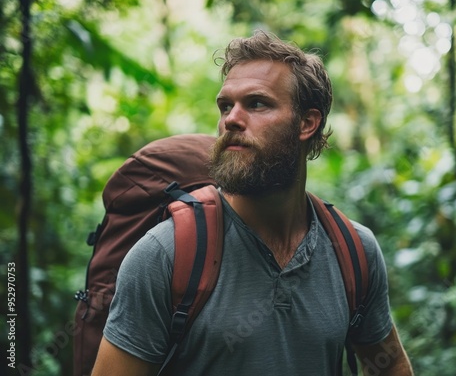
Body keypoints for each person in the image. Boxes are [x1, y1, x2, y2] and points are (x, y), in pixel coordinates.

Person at [91, 30, 414, 376]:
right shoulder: (165, 255)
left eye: (257, 103)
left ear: (307, 123)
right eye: (226, 105)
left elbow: (390, 364)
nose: (230, 119)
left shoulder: (353, 251)